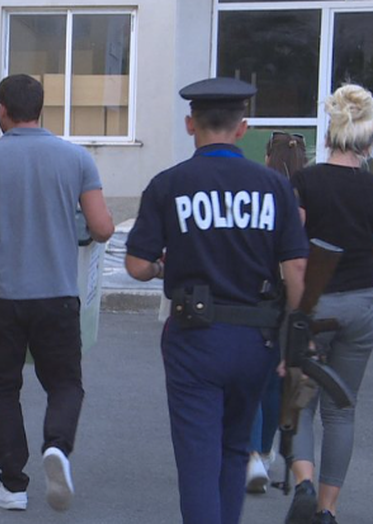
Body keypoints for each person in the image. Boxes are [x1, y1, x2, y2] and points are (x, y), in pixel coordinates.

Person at [125, 77, 308, 524]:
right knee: (234, 449)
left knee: (197, 459)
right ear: (242, 128)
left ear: (191, 124)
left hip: (194, 337)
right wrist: (297, 341)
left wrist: (161, 268)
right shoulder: (274, 187)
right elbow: (296, 270)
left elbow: (136, 264)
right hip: (256, 339)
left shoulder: (169, 184)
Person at [0, 74, 114, 512]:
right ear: (41, 109)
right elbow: (102, 227)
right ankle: (57, 446)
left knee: (3, 388)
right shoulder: (76, 158)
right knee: (65, 383)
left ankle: (13, 485)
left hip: (2, 296)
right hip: (57, 293)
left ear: (1, 109)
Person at [285, 84, 373, 524]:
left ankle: (302, 482)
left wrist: (294, 311)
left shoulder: (305, 182)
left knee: (300, 399)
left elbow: (291, 250)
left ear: (328, 135)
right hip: (362, 306)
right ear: (367, 142)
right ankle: (327, 509)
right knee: (342, 409)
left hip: (315, 305)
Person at [246, 131, 308, 495]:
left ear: (269, 156)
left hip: (263, 291)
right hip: (298, 291)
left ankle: (252, 454)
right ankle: (266, 451)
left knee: (255, 375)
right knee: (276, 381)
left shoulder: (264, 190)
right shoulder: (309, 191)